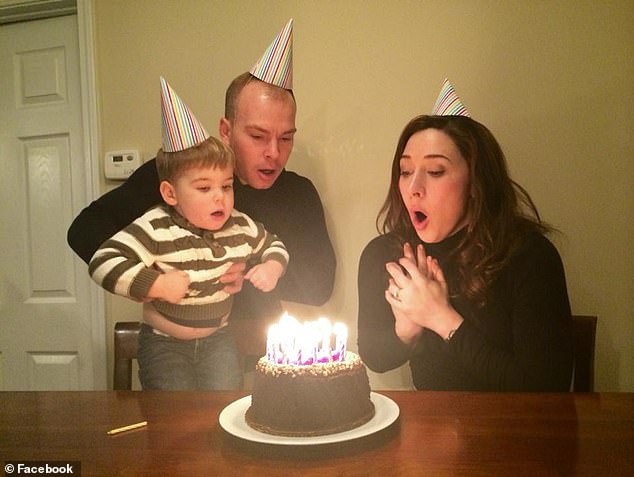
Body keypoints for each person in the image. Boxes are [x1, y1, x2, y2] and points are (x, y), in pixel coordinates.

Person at [67, 20, 335, 337]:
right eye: (258, 136)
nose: (273, 153)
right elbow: (84, 230)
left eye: (286, 138)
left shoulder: (298, 193)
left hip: (263, 347)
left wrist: (248, 272)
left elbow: (320, 286)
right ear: (226, 130)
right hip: (177, 344)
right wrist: (155, 280)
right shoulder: (176, 177)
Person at [357, 80, 573, 392]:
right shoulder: (386, 254)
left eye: (435, 172)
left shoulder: (530, 256)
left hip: (513, 433)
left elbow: (545, 387)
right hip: (432, 434)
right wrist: (407, 331)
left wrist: (441, 318)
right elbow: (375, 357)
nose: (414, 187)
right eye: (405, 171)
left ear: (475, 182)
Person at [89, 78, 289, 389]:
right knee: (172, 422)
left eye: (226, 186)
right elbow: (102, 261)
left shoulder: (238, 224)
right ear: (170, 194)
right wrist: (155, 283)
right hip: (164, 344)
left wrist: (270, 267)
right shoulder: (155, 227)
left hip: (219, 340)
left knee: (224, 412)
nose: (219, 197)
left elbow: (273, 244)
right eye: (204, 188)